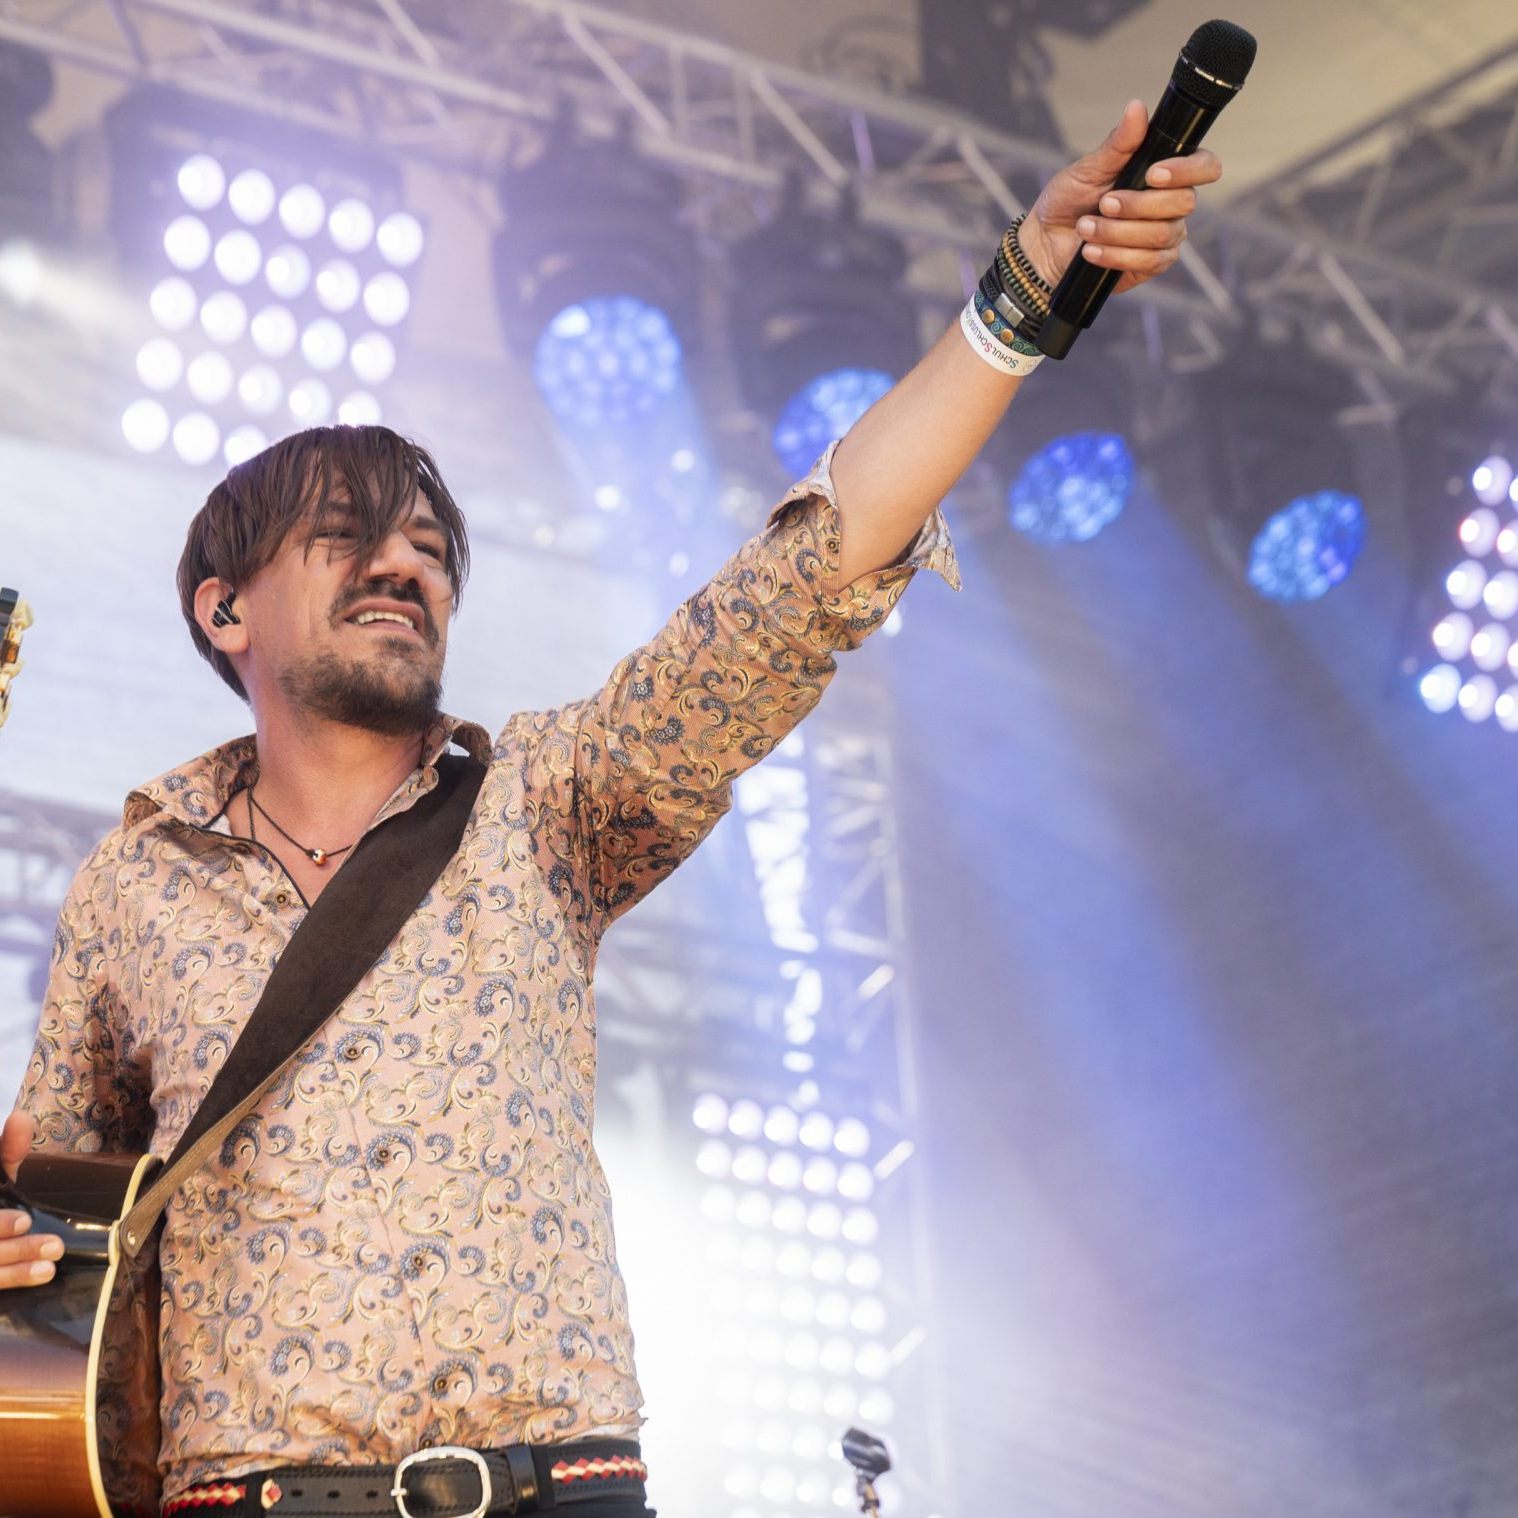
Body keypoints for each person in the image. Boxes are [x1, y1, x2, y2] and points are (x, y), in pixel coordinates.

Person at [2, 103, 1221, 1517]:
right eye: (345, 535)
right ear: (225, 610)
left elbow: (796, 586)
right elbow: (56, 1225)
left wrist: (1011, 309)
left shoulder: (547, 800)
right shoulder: (134, 878)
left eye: (429, 546)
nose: (406, 563)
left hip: (552, 1484)